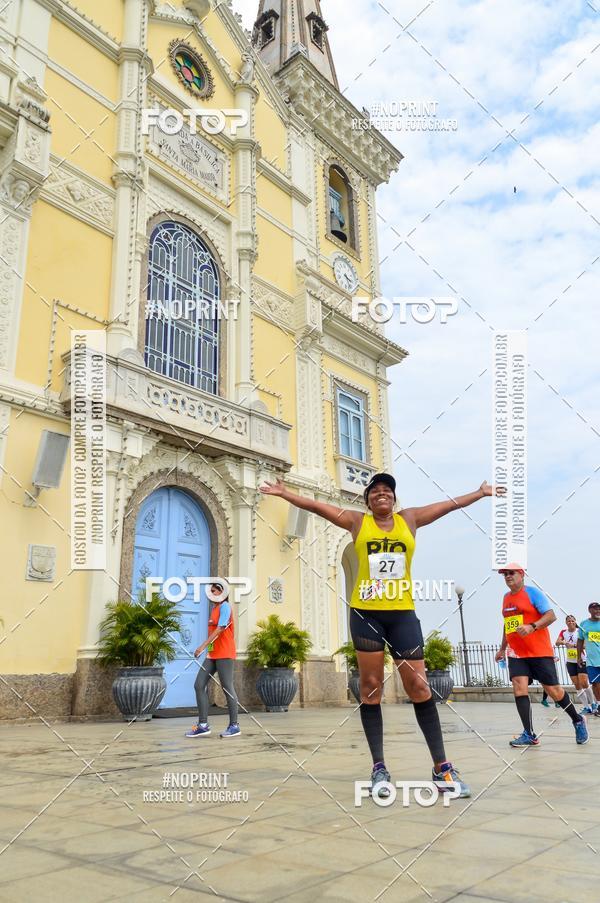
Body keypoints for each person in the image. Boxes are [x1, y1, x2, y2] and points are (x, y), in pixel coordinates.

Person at [260, 472, 498, 799]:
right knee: (370, 687)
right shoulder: (358, 522)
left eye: (387, 491)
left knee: (418, 685)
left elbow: (447, 506)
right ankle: (379, 768)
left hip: (402, 614)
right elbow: (317, 507)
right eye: (375, 491)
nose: (381, 494)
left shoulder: (409, 519)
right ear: (367, 500)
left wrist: (478, 492)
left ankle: (442, 767)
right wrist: (286, 494)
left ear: (394, 499)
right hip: (366, 613)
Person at [494, 565, 588, 746]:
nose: (507, 576)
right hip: (516, 653)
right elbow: (508, 625)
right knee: (519, 688)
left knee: (554, 691)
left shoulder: (533, 593)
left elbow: (551, 616)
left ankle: (577, 719)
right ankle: (529, 734)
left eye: (511, 573)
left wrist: (532, 626)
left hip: (539, 652)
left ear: (521, 574)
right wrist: (502, 648)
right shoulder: (506, 598)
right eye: (504, 574)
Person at [185, 582, 241, 738]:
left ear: (222, 592)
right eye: (210, 591)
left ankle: (234, 725)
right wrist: (208, 652)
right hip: (213, 655)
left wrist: (202, 646)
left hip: (224, 654)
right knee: (198, 685)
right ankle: (203, 725)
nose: (211, 593)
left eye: (214, 591)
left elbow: (220, 628)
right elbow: (213, 633)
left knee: (227, 687)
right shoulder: (214, 609)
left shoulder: (225, 607)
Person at [556, 615, 596, 714]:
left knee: (584, 682)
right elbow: (557, 642)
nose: (571, 622)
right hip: (570, 662)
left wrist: (574, 645)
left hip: (581, 660)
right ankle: (586, 707)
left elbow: (587, 644)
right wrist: (564, 643)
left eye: (572, 621)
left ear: (575, 622)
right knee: (577, 685)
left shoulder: (580, 631)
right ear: (566, 623)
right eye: (568, 621)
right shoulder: (563, 632)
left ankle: (594, 704)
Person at [577, 602, 600, 716]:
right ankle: (599, 705)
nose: (597, 611)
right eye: (595, 609)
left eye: (599, 609)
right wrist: (578, 656)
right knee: (595, 683)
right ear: (589, 610)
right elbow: (580, 640)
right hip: (591, 660)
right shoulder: (584, 624)